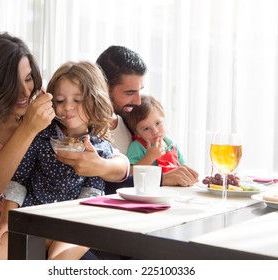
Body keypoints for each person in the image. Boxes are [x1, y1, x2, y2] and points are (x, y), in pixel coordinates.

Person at [0, 32, 127, 260]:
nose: (26, 93)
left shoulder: (53, 113)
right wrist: (28, 131)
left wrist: (101, 166)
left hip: (55, 229)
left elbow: (117, 161)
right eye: (12, 84)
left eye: (28, 79)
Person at [0, 61, 115, 260]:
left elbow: (91, 193)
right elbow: (18, 180)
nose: (68, 107)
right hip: (33, 219)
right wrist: (6, 221)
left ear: (95, 99)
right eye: (59, 100)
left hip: (75, 222)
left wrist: (75, 227)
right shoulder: (40, 136)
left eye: (78, 100)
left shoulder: (101, 148)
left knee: (61, 261)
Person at [56, 46, 198, 190]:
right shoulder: (77, 126)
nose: (138, 101)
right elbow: (100, 184)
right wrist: (160, 179)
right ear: (103, 87)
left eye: (139, 91)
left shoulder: (131, 121)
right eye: (130, 92)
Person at [124, 94, 187, 173]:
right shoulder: (137, 146)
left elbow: (184, 167)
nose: (155, 131)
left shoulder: (171, 144)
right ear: (137, 133)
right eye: (146, 129)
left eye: (158, 123)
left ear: (164, 119)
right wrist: (150, 157)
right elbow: (129, 172)